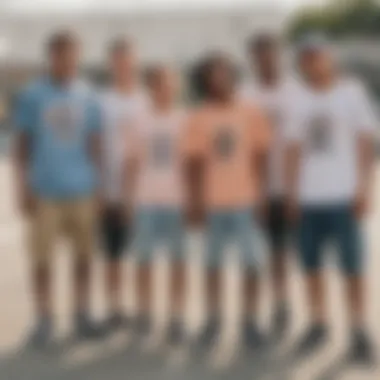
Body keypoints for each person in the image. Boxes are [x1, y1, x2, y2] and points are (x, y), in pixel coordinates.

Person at [285, 34, 376, 363]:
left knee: (352, 268)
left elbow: (365, 142)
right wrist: (292, 194)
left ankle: (359, 328)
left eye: (318, 55)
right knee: (311, 266)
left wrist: (364, 188)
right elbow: (292, 149)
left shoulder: (351, 93)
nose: (313, 62)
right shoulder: (297, 100)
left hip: (343, 195)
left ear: (330, 57)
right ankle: (318, 322)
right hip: (309, 198)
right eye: (306, 57)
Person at [13, 30, 102, 347]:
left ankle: (82, 313)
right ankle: (44, 317)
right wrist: (21, 187)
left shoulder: (89, 95)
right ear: (50, 57)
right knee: (42, 259)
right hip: (45, 191)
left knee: (85, 257)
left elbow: (95, 145)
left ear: (78, 57)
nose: (66, 60)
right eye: (60, 54)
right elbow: (22, 145)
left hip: (82, 189)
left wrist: (99, 188)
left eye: (71, 54)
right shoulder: (32, 95)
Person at [186, 53, 271, 349]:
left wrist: (261, 196)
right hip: (213, 204)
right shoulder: (199, 117)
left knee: (252, 264)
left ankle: (249, 321)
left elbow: (260, 157)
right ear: (205, 80)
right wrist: (195, 203)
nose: (220, 78)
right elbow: (193, 164)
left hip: (245, 201)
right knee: (212, 265)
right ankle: (213, 320)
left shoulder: (250, 112)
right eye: (213, 73)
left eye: (224, 72)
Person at [126, 65, 188, 346]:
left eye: (170, 82)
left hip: (178, 201)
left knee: (178, 262)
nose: (165, 88)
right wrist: (129, 199)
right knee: (144, 262)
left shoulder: (186, 119)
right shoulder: (139, 120)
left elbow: (193, 165)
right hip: (147, 200)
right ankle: (144, 314)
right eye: (159, 83)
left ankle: (176, 316)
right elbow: (132, 163)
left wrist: (195, 200)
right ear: (150, 87)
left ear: (177, 86)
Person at [243, 33, 298, 339]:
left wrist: (295, 190)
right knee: (253, 254)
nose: (265, 60)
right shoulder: (246, 94)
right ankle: (251, 314)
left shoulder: (295, 92)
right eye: (259, 55)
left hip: (285, 188)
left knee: (280, 252)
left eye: (270, 53)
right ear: (253, 60)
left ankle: (281, 303)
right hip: (252, 190)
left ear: (278, 55)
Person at [98, 37, 145, 332]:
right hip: (109, 192)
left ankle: (143, 308)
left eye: (127, 61)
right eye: (118, 62)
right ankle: (115, 308)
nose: (123, 67)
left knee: (142, 254)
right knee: (113, 253)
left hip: (142, 194)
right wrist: (100, 190)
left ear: (134, 63)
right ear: (111, 65)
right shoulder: (100, 102)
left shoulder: (145, 100)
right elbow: (94, 148)